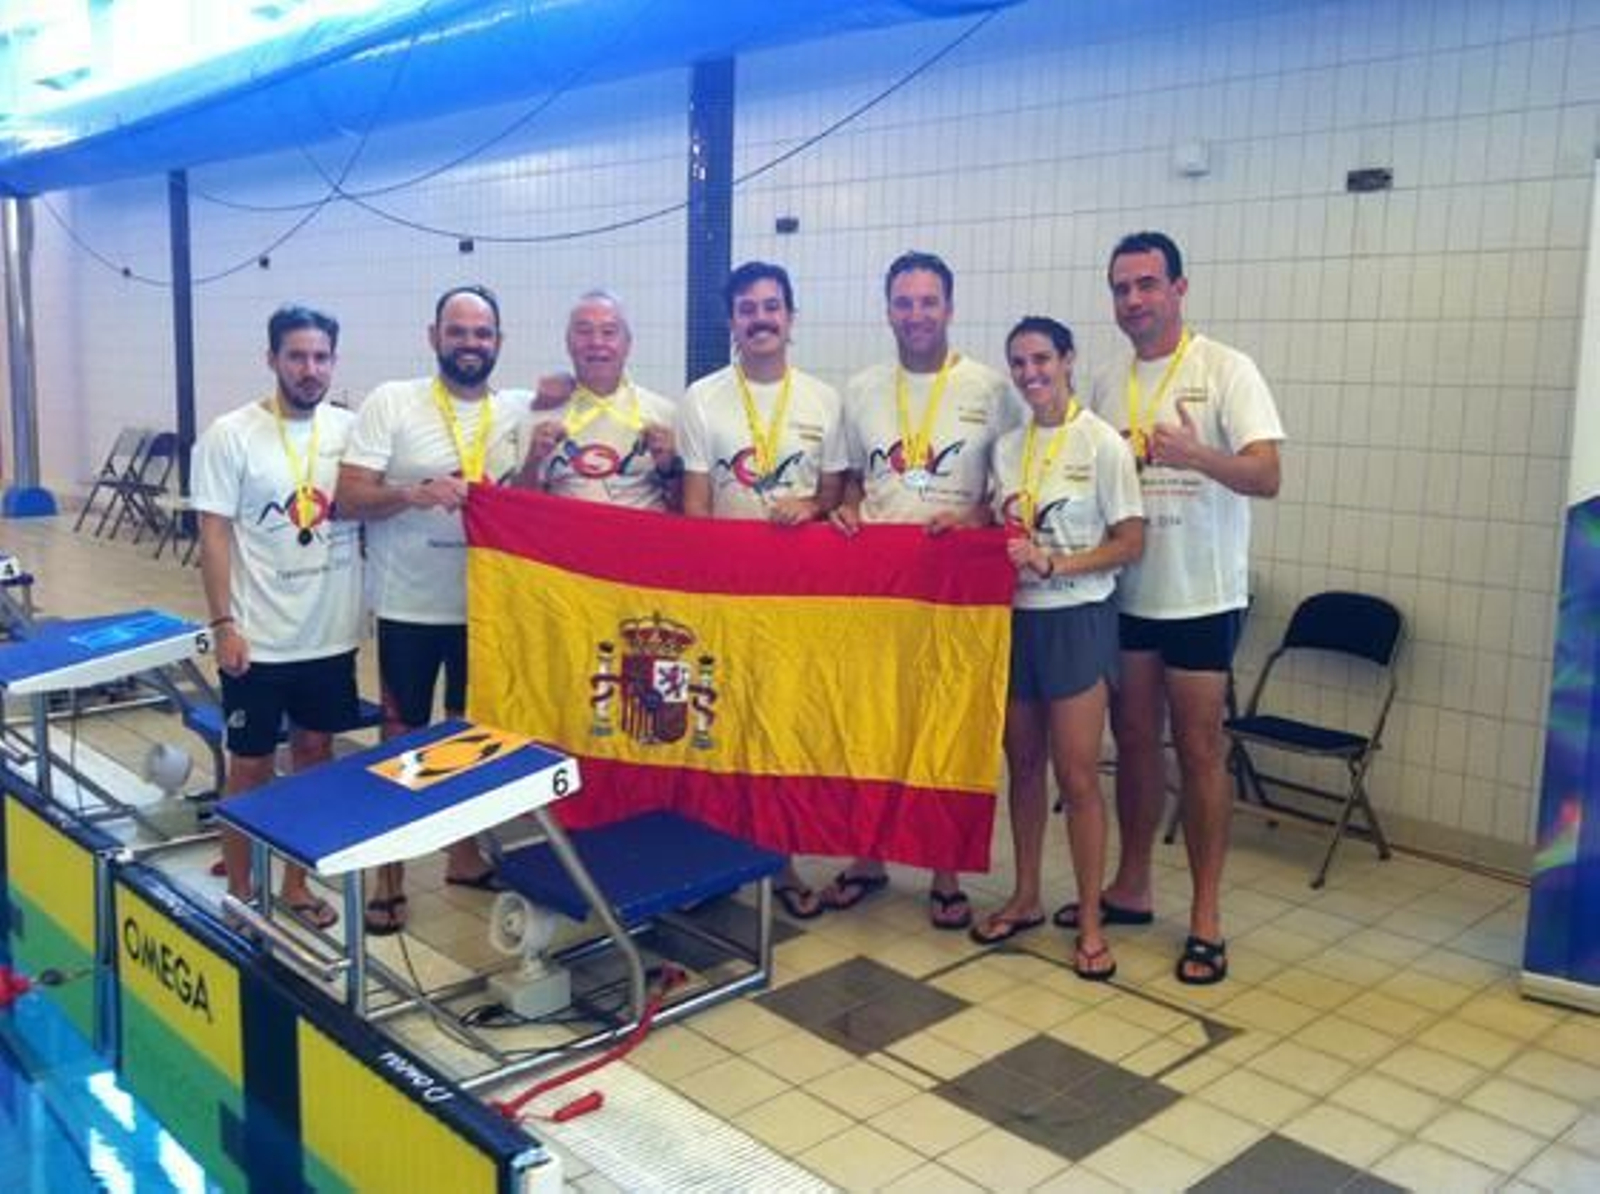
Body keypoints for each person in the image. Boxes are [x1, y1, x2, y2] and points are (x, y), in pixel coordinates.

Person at [1084, 232, 1284, 985]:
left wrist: (1196, 455)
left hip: (1201, 594)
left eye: (1146, 284)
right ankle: (1133, 886)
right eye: (1121, 288)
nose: (1133, 300)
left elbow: (1268, 476)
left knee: (1199, 748)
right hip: (1126, 591)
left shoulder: (1226, 369)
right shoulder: (1105, 383)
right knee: (1133, 740)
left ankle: (1205, 914)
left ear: (1179, 288)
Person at [825, 250, 1016, 929]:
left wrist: (975, 519)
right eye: (903, 303)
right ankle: (867, 856)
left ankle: (944, 870)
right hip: (879, 587)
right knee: (872, 720)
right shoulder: (862, 390)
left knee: (946, 723)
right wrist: (846, 507)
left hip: (953, 585)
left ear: (950, 308)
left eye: (927, 301)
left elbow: (1012, 488)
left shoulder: (993, 391)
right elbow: (850, 481)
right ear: (887, 311)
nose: (915, 315)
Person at [336, 284, 531, 934]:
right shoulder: (393, 401)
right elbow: (349, 497)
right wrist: (412, 493)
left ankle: (462, 854)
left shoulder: (518, 410)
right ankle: (388, 878)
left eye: (482, 333)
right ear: (434, 336)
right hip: (409, 607)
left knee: (471, 738)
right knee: (402, 740)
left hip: (485, 609)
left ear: (498, 342)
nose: (470, 344)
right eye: (458, 331)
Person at [971, 317, 1143, 980]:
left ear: (1068, 360)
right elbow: (998, 524)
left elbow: (1131, 542)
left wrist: (1057, 566)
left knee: (1076, 776)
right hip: (1018, 620)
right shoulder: (1008, 447)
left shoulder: (1102, 445)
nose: (1029, 372)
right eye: (1018, 362)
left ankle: (1093, 922)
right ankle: (1025, 896)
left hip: (1077, 616)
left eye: (1041, 358)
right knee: (1022, 766)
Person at [677, 261, 848, 917]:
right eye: (747, 308)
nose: (760, 318)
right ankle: (712, 858)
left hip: (796, 601)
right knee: (717, 732)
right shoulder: (702, 399)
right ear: (732, 322)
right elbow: (695, 505)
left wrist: (810, 504)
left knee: (782, 732)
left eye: (772, 306)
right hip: (725, 599)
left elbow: (834, 492)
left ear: (791, 316)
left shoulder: (822, 401)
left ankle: (781, 864)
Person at [193, 304, 362, 934]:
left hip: (329, 635)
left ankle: (294, 884)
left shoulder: (350, 431)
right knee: (251, 766)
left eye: (321, 357)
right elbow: (212, 534)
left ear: (333, 362)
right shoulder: (230, 434)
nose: (310, 369)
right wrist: (222, 623)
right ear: (272, 360)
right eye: (297, 356)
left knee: (315, 756)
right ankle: (241, 888)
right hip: (257, 641)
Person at [517, 290, 680, 510]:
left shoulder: (665, 414)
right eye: (584, 331)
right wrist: (533, 461)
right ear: (568, 343)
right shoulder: (539, 415)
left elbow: (684, 509)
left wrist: (669, 467)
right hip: (563, 542)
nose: (596, 342)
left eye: (609, 332)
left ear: (628, 344)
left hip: (641, 542)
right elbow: (519, 509)